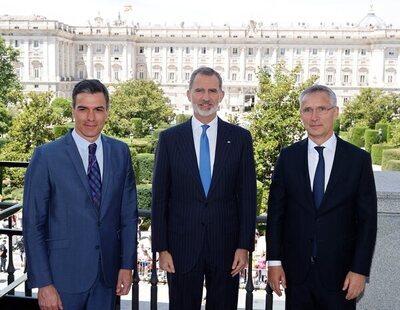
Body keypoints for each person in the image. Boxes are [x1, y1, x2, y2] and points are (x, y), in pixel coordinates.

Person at [23, 79, 138, 310]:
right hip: (61, 278)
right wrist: (44, 283)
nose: (90, 118)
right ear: (73, 110)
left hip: (106, 277)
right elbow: (33, 223)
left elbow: (128, 215)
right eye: (83, 109)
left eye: (98, 109)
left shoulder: (120, 152)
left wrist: (127, 265)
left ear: (107, 112)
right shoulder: (46, 156)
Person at [151, 66, 257, 309]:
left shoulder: (240, 138)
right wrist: (161, 248)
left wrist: (244, 246)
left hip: (227, 250)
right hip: (180, 250)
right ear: (189, 95)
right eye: (199, 90)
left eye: (212, 91)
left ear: (221, 95)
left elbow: (247, 197)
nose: (205, 97)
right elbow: (159, 198)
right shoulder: (169, 139)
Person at [267, 84, 377, 310]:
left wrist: (359, 270)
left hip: (342, 277)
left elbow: (367, 221)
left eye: (322, 109)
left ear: (335, 112)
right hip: (296, 276)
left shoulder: (358, 160)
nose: (314, 117)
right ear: (301, 114)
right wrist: (274, 262)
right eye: (307, 110)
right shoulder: (288, 157)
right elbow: (276, 214)